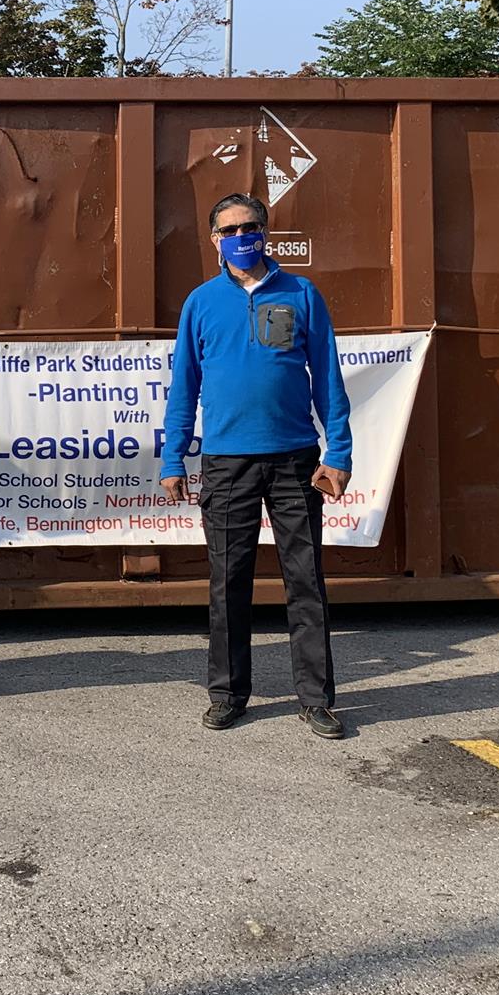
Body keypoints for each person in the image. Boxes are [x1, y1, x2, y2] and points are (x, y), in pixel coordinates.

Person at [159, 192, 352, 740]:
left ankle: (315, 699)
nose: (242, 237)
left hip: (295, 460)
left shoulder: (302, 293)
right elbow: (183, 389)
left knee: (305, 581)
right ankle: (228, 694)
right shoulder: (200, 303)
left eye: (251, 227)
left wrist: (338, 453)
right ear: (214, 240)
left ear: (265, 232)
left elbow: (328, 378)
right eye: (230, 230)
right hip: (226, 464)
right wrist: (174, 458)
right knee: (228, 583)